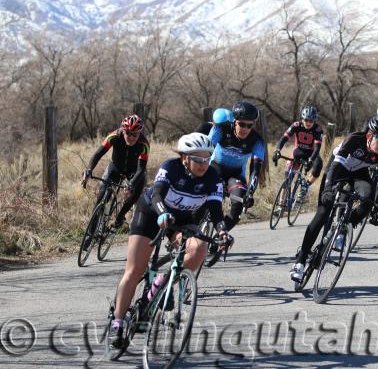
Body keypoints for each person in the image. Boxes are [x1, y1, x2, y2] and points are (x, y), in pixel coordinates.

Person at [107, 133, 227, 349]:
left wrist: (222, 232)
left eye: (207, 159)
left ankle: (169, 284)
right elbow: (157, 195)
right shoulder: (171, 167)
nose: (203, 165)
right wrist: (162, 213)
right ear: (184, 158)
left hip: (180, 220)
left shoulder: (212, 177)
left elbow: (216, 211)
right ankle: (118, 321)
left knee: (199, 247)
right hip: (151, 214)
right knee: (134, 270)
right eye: (197, 159)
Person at [289, 114, 378, 282]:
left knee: (368, 199)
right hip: (338, 170)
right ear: (370, 135)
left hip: (359, 175)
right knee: (323, 213)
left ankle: (343, 229)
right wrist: (328, 188)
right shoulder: (354, 139)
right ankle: (300, 261)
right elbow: (335, 166)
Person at [82, 115, 149, 234]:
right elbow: (98, 154)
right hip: (115, 168)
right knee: (102, 196)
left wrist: (131, 185)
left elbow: (141, 169)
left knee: (138, 186)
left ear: (139, 134)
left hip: (134, 171)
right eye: (128, 133)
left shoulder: (144, 144)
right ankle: (90, 233)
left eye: (135, 134)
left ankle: (120, 216)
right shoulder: (114, 136)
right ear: (123, 131)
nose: (131, 137)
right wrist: (89, 170)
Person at [207, 101, 265, 230]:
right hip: (215, 168)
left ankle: (220, 236)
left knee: (238, 206)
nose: (245, 129)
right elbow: (205, 151)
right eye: (242, 124)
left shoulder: (257, 141)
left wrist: (250, 193)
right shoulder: (221, 129)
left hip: (235, 175)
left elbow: (255, 170)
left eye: (249, 126)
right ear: (234, 121)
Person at [272, 106, 324, 201]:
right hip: (299, 151)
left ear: (314, 121)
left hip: (312, 153)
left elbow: (317, 148)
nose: (308, 123)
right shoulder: (296, 125)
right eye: (306, 120)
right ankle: (281, 203)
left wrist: (311, 160)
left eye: (311, 121)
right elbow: (284, 139)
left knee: (318, 165)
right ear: (302, 118)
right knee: (288, 178)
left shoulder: (318, 129)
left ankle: (305, 186)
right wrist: (277, 150)